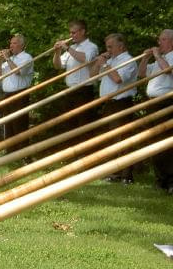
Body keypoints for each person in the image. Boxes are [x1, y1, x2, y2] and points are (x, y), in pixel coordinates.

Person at [90, 33, 138, 184]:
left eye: (111, 47)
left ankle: (125, 175)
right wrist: (98, 64)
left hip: (121, 102)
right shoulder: (110, 61)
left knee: (122, 138)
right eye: (107, 47)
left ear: (121, 46)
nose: (108, 50)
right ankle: (113, 171)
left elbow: (118, 79)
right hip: (109, 103)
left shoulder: (129, 60)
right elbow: (92, 77)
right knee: (111, 138)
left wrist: (105, 65)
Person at [138, 29, 173, 193]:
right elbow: (142, 74)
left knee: (166, 142)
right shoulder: (161, 58)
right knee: (154, 141)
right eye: (159, 40)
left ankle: (170, 180)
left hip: (166, 103)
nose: (159, 43)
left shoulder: (169, 57)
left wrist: (157, 56)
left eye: (163, 40)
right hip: (152, 103)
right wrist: (145, 58)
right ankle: (161, 179)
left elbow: (168, 70)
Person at [52, 20, 99, 133]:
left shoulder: (91, 46)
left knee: (84, 125)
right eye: (70, 33)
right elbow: (58, 66)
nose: (71, 36)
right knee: (69, 125)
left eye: (74, 33)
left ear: (82, 31)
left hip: (84, 91)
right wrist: (57, 52)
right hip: (70, 91)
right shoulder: (72, 48)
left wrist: (67, 48)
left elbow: (85, 59)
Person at [0, 34, 34, 152]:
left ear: (22, 45)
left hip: (20, 94)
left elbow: (18, 71)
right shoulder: (8, 60)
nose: (11, 46)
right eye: (11, 43)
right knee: (9, 124)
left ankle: (22, 153)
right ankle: (10, 151)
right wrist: (0, 60)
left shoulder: (27, 57)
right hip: (7, 94)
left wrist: (7, 58)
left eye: (14, 43)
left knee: (20, 124)